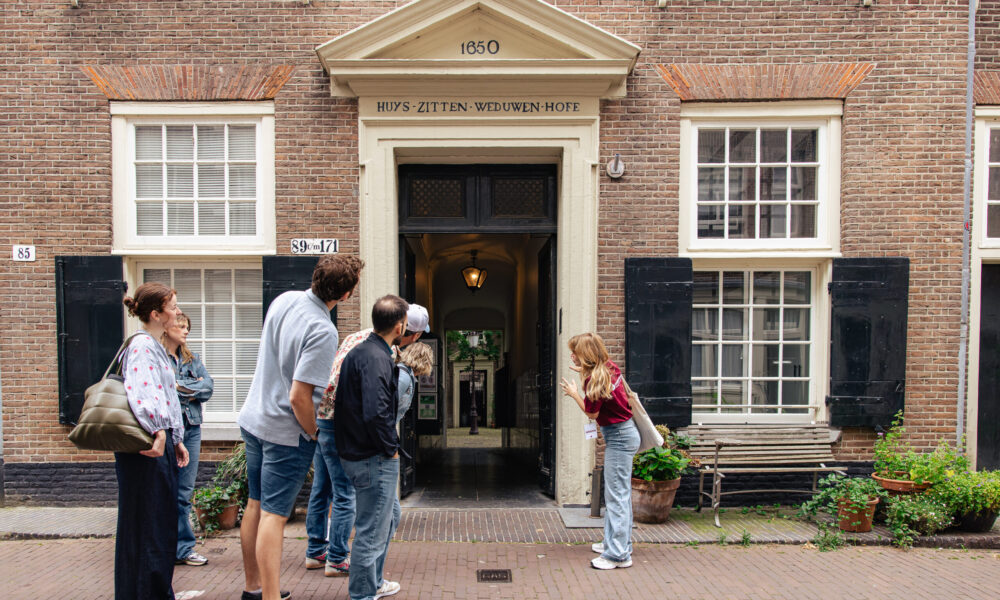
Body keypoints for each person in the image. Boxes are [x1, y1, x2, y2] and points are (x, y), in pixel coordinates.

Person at [237, 255, 363, 600]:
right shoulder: (323, 330)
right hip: (283, 433)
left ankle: (254, 588)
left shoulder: (284, 300)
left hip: (254, 418)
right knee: (275, 517)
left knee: (255, 505)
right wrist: (314, 433)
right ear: (347, 294)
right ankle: (271, 597)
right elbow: (299, 397)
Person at [304, 304, 430, 576]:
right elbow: (377, 407)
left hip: (323, 417)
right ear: (407, 331)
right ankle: (337, 558)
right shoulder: (382, 352)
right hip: (344, 425)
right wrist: (390, 448)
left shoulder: (356, 338)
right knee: (345, 493)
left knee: (322, 488)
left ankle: (315, 550)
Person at [117, 282, 190, 599]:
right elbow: (143, 395)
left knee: (152, 524)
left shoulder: (150, 345)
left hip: (158, 444)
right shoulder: (143, 347)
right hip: (149, 448)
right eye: (172, 307)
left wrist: (176, 437)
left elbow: (160, 396)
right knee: (152, 525)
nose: (177, 312)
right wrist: (161, 433)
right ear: (156, 314)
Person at [335, 295, 409, 600]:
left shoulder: (360, 351)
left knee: (387, 518)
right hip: (372, 457)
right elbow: (376, 412)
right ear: (399, 325)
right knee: (371, 530)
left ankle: (375, 582)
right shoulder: (378, 358)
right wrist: (390, 447)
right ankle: (363, 594)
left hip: (356, 452)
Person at [559, 332, 639, 570]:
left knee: (617, 497)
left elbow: (592, 413)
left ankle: (618, 555)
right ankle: (614, 543)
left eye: (575, 351)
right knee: (619, 494)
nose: (571, 354)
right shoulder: (609, 368)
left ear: (585, 355)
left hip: (619, 438)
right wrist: (582, 370)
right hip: (623, 433)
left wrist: (574, 394)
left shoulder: (593, 380)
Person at [162, 312, 215, 567]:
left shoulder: (190, 359)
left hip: (191, 429)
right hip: (167, 430)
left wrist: (181, 388)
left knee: (184, 492)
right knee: (162, 491)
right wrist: (192, 387)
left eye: (187, 328)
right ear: (166, 326)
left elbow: (209, 388)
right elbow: (164, 388)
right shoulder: (158, 357)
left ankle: (183, 549)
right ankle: (161, 546)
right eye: (181, 326)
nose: (185, 331)